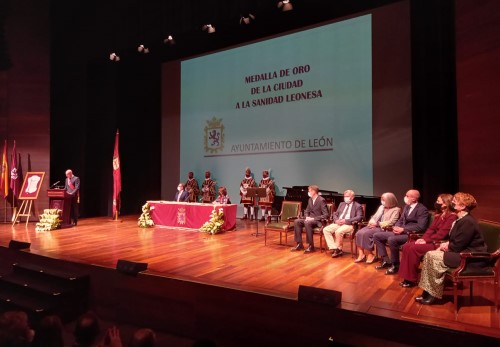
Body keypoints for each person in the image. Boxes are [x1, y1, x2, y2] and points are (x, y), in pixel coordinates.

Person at [416, 192, 487, 304]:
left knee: (432, 255)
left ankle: (432, 294)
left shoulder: (468, 222)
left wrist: (445, 246)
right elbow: (457, 240)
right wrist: (447, 243)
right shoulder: (460, 219)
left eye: (455, 201)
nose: (452, 202)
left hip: (469, 258)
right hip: (460, 252)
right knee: (430, 254)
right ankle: (427, 291)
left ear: (463, 206)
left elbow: (458, 245)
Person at [398, 193, 457, 288]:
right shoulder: (439, 215)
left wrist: (427, 241)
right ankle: (407, 277)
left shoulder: (452, 216)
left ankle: (411, 279)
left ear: (446, 203)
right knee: (407, 246)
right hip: (431, 240)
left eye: (438, 201)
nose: (436, 203)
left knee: (413, 248)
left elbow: (442, 234)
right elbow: (431, 229)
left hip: (439, 242)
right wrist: (423, 239)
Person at [373, 189, 429, 275]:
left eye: (407, 196)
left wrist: (403, 229)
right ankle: (386, 260)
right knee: (377, 235)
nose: (405, 197)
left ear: (414, 199)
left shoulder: (422, 209)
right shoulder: (406, 207)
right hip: (400, 231)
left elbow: (421, 226)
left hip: (411, 234)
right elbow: (401, 220)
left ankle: (395, 265)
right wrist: (396, 226)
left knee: (392, 239)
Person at [354, 192, 400, 264]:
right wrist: (371, 221)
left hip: (384, 228)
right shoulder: (381, 207)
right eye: (381, 199)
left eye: (384, 199)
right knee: (359, 233)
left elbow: (391, 222)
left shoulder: (396, 209)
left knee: (367, 234)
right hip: (374, 225)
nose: (382, 201)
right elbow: (375, 216)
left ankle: (370, 254)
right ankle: (361, 254)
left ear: (390, 200)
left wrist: (377, 224)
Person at [323, 189, 364, 258]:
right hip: (338, 222)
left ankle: (338, 249)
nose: (345, 198)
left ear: (352, 197)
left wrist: (346, 221)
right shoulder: (341, 204)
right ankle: (335, 248)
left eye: (347, 196)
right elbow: (335, 214)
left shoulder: (357, 206)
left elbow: (359, 217)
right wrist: (336, 220)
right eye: (344, 196)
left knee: (338, 231)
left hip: (349, 224)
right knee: (326, 229)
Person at [291, 185, 328, 253]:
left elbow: (325, 215)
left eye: (309, 191)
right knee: (297, 221)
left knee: (307, 222)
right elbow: (307, 211)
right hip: (309, 219)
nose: (308, 192)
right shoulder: (310, 199)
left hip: (317, 221)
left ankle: (311, 246)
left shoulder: (321, 200)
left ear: (314, 191)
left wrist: (313, 218)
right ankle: (299, 244)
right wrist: (307, 217)